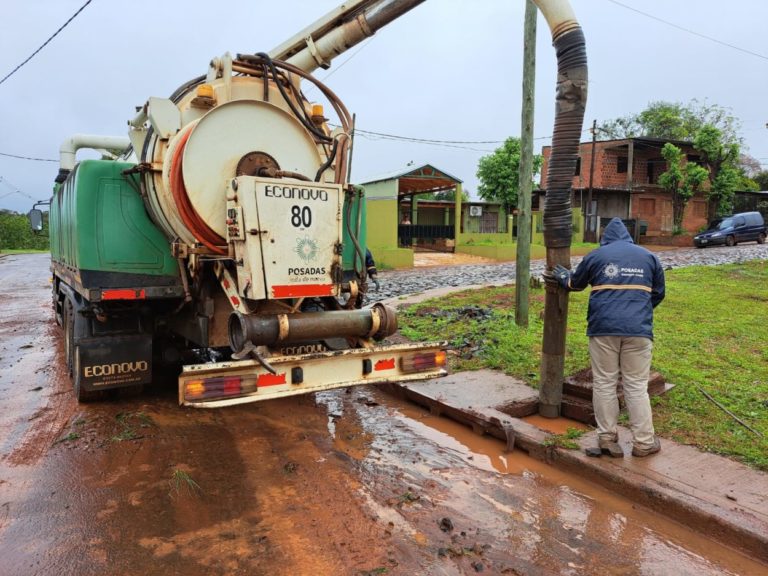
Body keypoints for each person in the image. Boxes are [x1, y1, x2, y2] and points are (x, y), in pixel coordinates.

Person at [544, 217, 665, 458]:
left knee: (604, 383)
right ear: (629, 237)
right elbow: (659, 294)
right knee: (636, 386)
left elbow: (574, 284)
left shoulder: (596, 256)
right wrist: (635, 312)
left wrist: (562, 277)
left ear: (604, 238)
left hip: (603, 330)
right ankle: (643, 443)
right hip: (638, 332)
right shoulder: (649, 257)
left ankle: (607, 439)